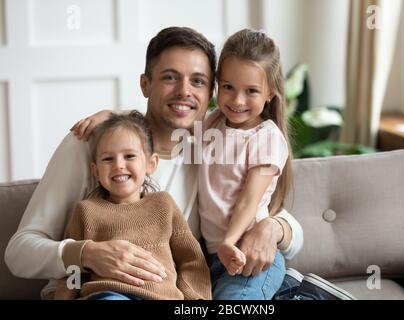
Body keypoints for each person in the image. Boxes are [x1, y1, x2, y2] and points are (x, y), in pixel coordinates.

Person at [5, 26, 303, 300]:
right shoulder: (90, 146)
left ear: (210, 92)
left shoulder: (208, 147)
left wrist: (273, 228)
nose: (184, 91)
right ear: (145, 84)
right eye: (170, 77)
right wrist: (86, 253)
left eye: (198, 81)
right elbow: (19, 253)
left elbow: (276, 217)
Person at [53, 111, 211, 300]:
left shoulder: (164, 205)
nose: (118, 165)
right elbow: (72, 268)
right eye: (108, 159)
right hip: (108, 294)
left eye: (129, 156)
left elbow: (191, 260)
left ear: (151, 164)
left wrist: (196, 299)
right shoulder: (86, 211)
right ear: (95, 170)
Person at [197, 29, 290, 300]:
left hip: (250, 257)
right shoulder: (211, 123)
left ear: (271, 92)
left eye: (251, 91)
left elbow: (250, 200)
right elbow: (164, 125)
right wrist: (114, 115)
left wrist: (228, 241)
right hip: (213, 258)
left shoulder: (267, 138)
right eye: (228, 87)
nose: (237, 101)